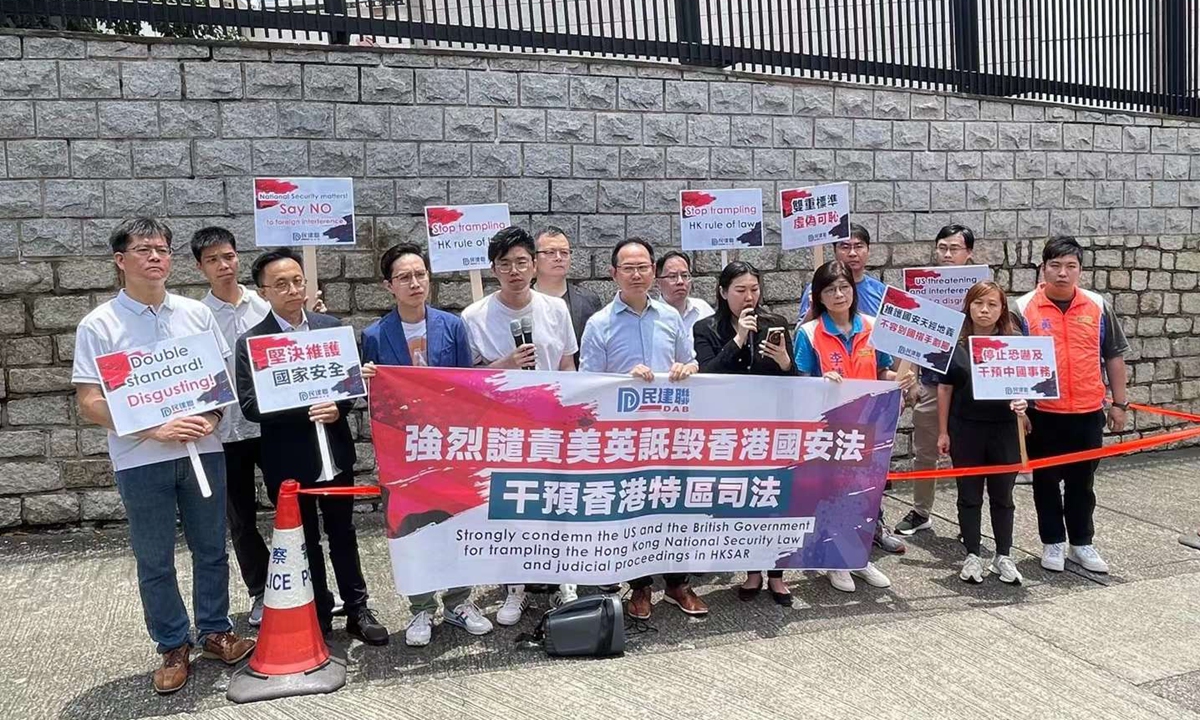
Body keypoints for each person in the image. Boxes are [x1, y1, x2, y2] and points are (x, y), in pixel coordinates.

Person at [72, 217, 254, 695]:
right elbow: (90, 401)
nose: (155, 257)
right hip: (139, 458)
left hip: (204, 450)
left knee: (212, 547)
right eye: (143, 249)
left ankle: (214, 629)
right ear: (120, 260)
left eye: (162, 249)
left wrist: (211, 422)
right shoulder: (100, 324)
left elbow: (220, 382)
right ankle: (173, 644)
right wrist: (155, 427)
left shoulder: (196, 315)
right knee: (155, 557)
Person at [234, 248, 388, 645]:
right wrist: (303, 407)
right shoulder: (252, 342)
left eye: (297, 281)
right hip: (288, 457)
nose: (292, 290)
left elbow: (349, 388)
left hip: (334, 453)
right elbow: (251, 406)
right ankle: (319, 612)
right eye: (280, 284)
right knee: (306, 541)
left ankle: (358, 609)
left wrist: (337, 409)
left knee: (344, 533)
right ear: (263, 292)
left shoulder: (329, 327)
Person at [360, 243, 493, 646]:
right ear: (389, 286)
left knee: (456, 522)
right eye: (404, 277)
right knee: (411, 527)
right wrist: (368, 379)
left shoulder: (451, 326)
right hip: (404, 451)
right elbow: (374, 401)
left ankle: (458, 601)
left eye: (420, 274)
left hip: (450, 445)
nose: (415, 283)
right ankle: (420, 607)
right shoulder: (375, 335)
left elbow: (466, 386)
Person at [580, 237, 706, 619]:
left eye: (643, 267)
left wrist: (687, 369)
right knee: (634, 510)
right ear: (613, 273)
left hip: (671, 434)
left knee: (674, 506)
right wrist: (623, 379)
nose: (636, 275)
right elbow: (588, 382)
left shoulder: (671, 317)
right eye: (628, 268)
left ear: (653, 270)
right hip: (626, 439)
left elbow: (693, 362)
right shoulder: (599, 324)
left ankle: (678, 584)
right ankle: (639, 587)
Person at [460, 226, 579, 626]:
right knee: (512, 506)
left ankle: (566, 581)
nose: (514, 270)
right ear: (494, 269)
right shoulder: (474, 317)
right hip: (503, 427)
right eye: (505, 263)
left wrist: (568, 409)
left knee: (557, 503)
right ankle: (516, 587)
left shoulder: (555, 309)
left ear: (534, 264)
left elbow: (566, 363)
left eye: (522, 262)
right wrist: (507, 365)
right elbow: (469, 380)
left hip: (549, 423)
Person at [794, 261, 915, 593]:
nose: (838, 294)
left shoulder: (872, 327)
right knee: (833, 495)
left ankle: (858, 558)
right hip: (829, 430)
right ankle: (834, 561)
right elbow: (799, 383)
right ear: (819, 295)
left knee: (864, 495)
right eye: (830, 289)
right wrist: (822, 382)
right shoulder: (809, 333)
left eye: (844, 287)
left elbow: (884, 372)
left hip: (869, 427)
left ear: (853, 290)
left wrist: (899, 380)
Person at [1017, 237, 1130, 574]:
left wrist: (1119, 404)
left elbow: (1113, 356)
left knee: (1083, 483)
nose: (1062, 273)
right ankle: (1052, 542)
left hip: (1087, 411)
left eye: (1070, 266)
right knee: (1046, 481)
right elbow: (1013, 362)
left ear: (1080, 270)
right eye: (1055, 266)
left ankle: (1081, 543)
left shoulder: (1098, 305)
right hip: (1042, 414)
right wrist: (1020, 411)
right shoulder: (1023, 308)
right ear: (1043, 268)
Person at [693, 261, 797, 605]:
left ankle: (778, 575)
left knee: (776, 500)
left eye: (754, 289)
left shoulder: (776, 324)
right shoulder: (706, 328)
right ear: (723, 293)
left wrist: (784, 361)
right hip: (731, 431)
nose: (749, 297)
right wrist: (738, 339)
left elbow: (794, 381)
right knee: (745, 502)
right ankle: (752, 571)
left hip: (772, 427)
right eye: (740, 290)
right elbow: (707, 375)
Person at [190, 227, 272, 628]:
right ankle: (261, 590)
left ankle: (302, 585)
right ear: (200, 267)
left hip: (272, 425)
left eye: (228, 256)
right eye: (212, 260)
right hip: (223, 433)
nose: (223, 266)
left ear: (238, 257)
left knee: (293, 505)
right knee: (240, 519)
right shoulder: (195, 317)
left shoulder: (265, 304)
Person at [936, 281, 1027, 585]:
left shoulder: (1015, 344)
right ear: (968, 307)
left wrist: (1025, 402)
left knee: (1003, 495)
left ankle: (1003, 555)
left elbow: (1032, 384)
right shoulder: (956, 345)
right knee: (969, 494)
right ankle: (972, 553)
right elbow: (945, 388)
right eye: (978, 303)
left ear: (1002, 310)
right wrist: (943, 431)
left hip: (1004, 430)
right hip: (965, 429)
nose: (984, 310)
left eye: (992, 304)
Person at [896, 224, 977, 536]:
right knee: (925, 452)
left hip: (970, 391)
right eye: (942, 247)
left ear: (969, 253)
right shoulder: (924, 288)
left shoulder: (980, 291)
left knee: (970, 456)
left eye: (954, 249)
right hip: (930, 385)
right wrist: (910, 378)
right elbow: (909, 334)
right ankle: (921, 511)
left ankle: (971, 517)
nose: (946, 254)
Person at [533, 225, 604, 363]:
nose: (558, 258)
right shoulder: (522, 300)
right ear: (534, 258)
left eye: (564, 252)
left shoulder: (588, 300)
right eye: (550, 252)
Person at [798, 223, 887, 317]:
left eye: (858, 246)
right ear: (835, 251)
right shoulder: (816, 289)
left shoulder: (881, 291)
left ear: (868, 250)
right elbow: (800, 330)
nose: (852, 253)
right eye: (845, 247)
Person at [655, 250, 714, 338]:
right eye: (672, 276)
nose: (680, 282)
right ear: (658, 283)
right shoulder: (652, 316)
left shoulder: (703, 309)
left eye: (685, 275)